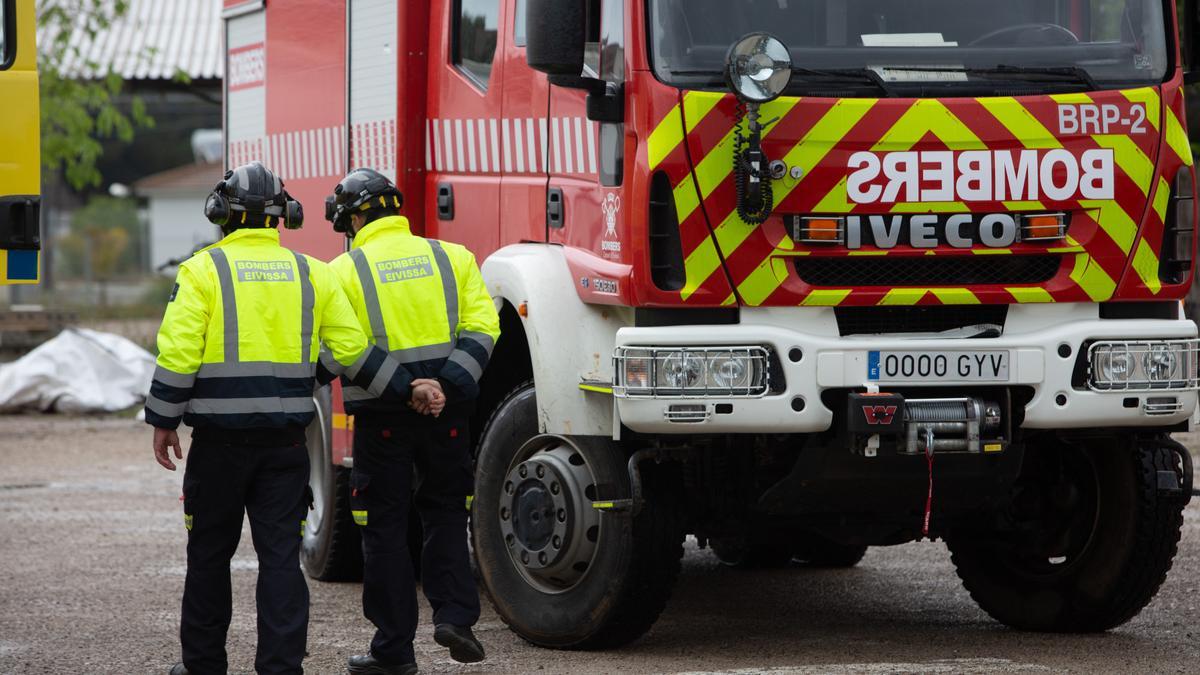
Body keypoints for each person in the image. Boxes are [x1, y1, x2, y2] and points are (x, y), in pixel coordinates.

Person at [145, 161, 442, 675]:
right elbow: (351, 351)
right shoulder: (314, 273)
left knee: (209, 555)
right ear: (283, 215)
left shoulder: (202, 270)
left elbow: (178, 351)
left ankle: (202, 665)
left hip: (217, 445)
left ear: (223, 212)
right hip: (285, 445)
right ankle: (282, 667)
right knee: (280, 558)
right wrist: (407, 387)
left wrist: (164, 417)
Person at [323, 169, 500, 675]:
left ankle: (394, 651)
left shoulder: (343, 271)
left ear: (356, 217)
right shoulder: (454, 257)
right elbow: (485, 326)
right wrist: (443, 386)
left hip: (383, 420)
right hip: (448, 415)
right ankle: (456, 619)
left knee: (383, 530)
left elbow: (343, 348)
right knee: (446, 513)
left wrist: (406, 389)